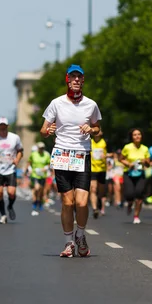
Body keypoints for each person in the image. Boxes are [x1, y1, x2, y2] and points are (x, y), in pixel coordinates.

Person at [40, 64, 102, 258]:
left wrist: (91, 130)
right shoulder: (56, 103)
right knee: (68, 202)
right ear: (67, 79)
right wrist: (48, 131)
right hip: (62, 156)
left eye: (79, 77)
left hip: (82, 155)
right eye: (73, 77)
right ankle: (69, 243)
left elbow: (98, 129)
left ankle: (80, 235)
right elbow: (43, 130)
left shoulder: (90, 104)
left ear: (83, 81)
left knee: (82, 203)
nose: (76, 80)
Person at [0, 117, 24, 224]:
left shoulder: (15, 138)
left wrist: (17, 159)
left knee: (11, 193)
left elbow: (20, 151)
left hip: (10, 169)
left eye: (4, 126)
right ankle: (3, 215)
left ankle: (10, 206)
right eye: (1, 126)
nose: (2, 128)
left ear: (7, 126)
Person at [120, 129, 151, 224]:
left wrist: (145, 161)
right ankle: (129, 203)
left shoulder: (145, 148)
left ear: (141, 136)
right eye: (135, 135)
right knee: (129, 194)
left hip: (140, 174)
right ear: (132, 137)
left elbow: (149, 163)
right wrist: (128, 164)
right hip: (129, 173)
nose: (137, 136)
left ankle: (136, 216)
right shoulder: (127, 147)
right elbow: (121, 159)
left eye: (139, 134)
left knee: (139, 194)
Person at [27, 142, 51, 216]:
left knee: (41, 190)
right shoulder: (33, 154)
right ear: (38, 148)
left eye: (42, 148)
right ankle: (35, 201)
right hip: (35, 174)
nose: (41, 149)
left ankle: (39, 201)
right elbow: (29, 162)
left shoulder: (46, 155)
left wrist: (46, 168)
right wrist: (29, 168)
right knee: (36, 188)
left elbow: (49, 163)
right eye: (40, 148)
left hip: (43, 175)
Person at [90, 130, 108, 218]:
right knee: (93, 189)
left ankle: (100, 200)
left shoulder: (105, 142)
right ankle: (94, 209)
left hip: (102, 169)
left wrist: (106, 156)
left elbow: (114, 154)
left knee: (101, 190)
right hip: (92, 169)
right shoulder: (89, 141)